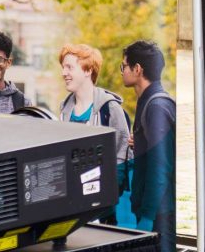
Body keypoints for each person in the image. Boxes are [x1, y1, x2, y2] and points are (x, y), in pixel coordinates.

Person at [121, 40, 175, 251]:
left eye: (124, 66)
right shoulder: (149, 102)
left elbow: (160, 168)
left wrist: (148, 216)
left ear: (137, 69)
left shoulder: (156, 106)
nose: (122, 72)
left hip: (159, 215)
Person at [59, 43, 131, 191]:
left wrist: (111, 190)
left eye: (69, 67)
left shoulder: (110, 108)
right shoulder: (64, 110)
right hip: (73, 194)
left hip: (103, 195)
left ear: (88, 70)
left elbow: (122, 154)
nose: (63, 73)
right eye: (63, 67)